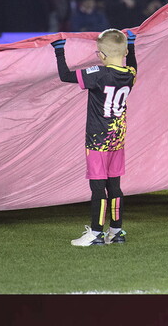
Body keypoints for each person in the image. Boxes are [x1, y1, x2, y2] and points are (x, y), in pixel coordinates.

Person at [50, 28, 137, 246]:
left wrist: (59, 50)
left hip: (98, 141)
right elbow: (134, 63)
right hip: (118, 139)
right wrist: (133, 45)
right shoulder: (130, 74)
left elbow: (65, 76)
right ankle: (116, 231)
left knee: (98, 188)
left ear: (102, 55)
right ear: (125, 50)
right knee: (115, 186)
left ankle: (96, 233)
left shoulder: (99, 73)